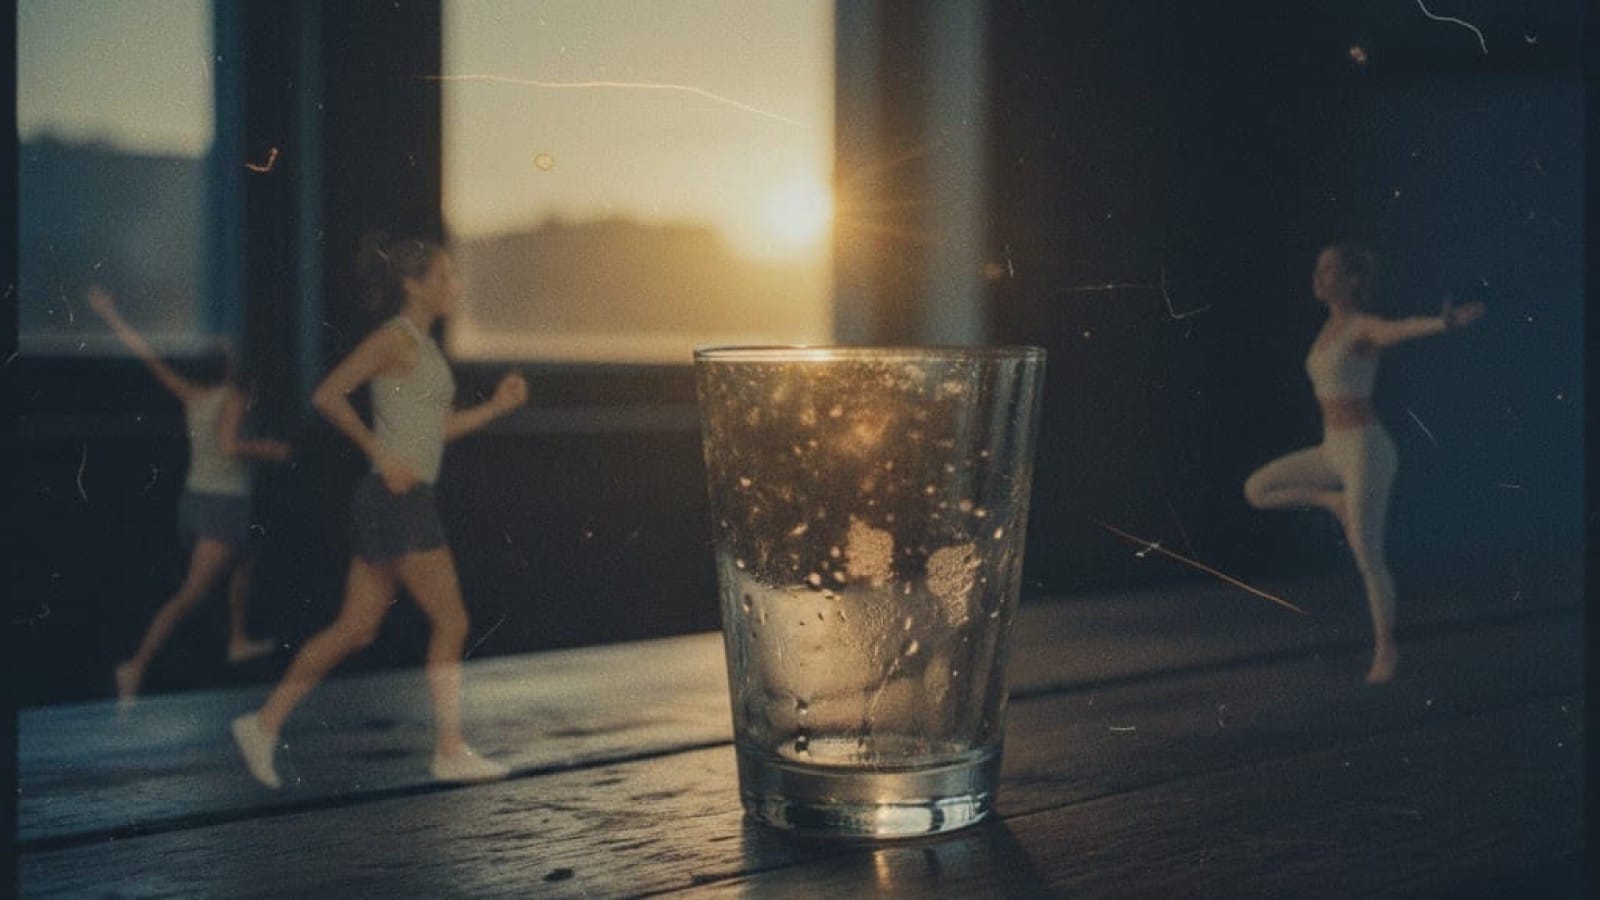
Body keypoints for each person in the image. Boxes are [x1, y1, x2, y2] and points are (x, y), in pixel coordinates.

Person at [231, 234, 527, 788]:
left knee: (357, 628)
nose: (453, 286)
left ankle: (263, 724)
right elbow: (327, 394)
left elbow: (435, 432)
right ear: (413, 285)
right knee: (452, 620)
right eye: (442, 277)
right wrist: (380, 454)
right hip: (396, 501)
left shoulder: (424, 347)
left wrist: (496, 407)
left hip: (396, 500)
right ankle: (449, 750)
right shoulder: (395, 338)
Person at [1243, 244, 1484, 685]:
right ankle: (1331, 502)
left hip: (1366, 450)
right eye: (1317, 268)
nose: (1319, 275)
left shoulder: (1361, 327)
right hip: (1332, 447)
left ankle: (1386, 649)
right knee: (1257, 489)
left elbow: (1399, 330)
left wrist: (1443, 322)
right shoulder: (1326, 331)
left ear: (1353, 279)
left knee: (1367, 554)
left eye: (1329, 268)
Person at [88, 286, 293, 709]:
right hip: (223, 504)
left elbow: (149, 357)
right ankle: (136, 665)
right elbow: (231, 444)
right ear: (228, 367)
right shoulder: (233, 397)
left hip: (196, 502)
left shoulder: (192, 395)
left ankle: (236, 638)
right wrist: (272, 450)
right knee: (191, 594)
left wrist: (111, 315)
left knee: (246, 557)